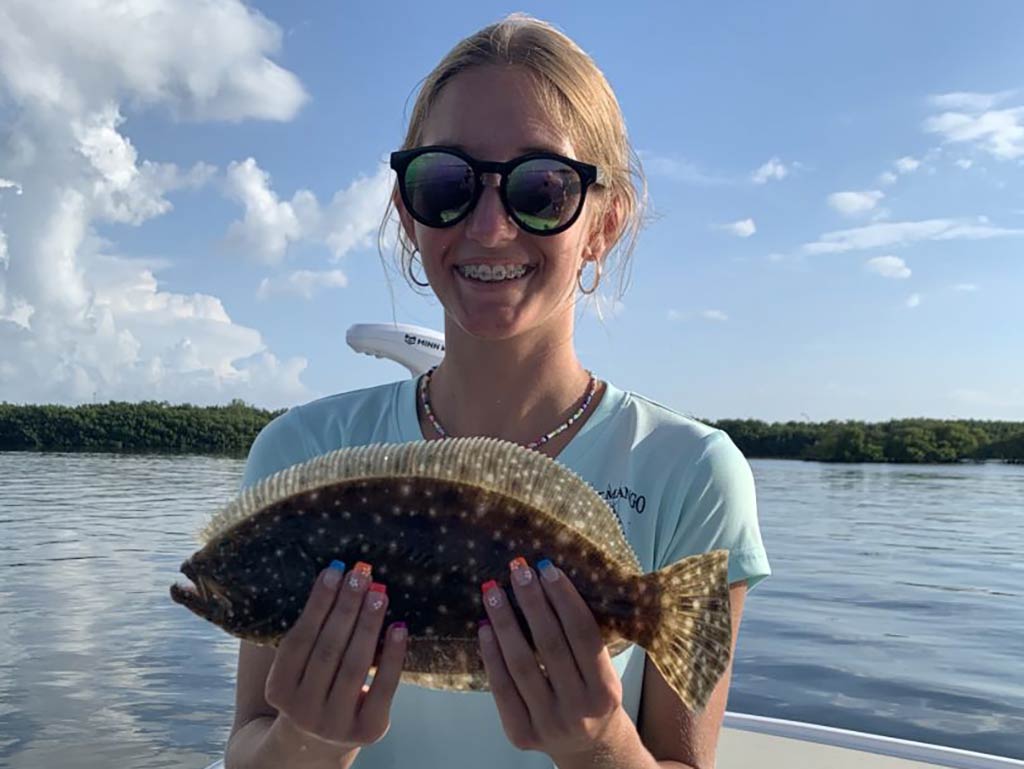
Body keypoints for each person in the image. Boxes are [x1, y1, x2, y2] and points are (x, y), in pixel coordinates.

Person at [223, 13, 770, 769]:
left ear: (604, 222)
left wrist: (597, 745)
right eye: (446, 183)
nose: (488, 227)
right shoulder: (299, 454)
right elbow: (249, 745)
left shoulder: (694, 474)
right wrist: (308, 737)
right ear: (408, 213)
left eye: (541, 189)